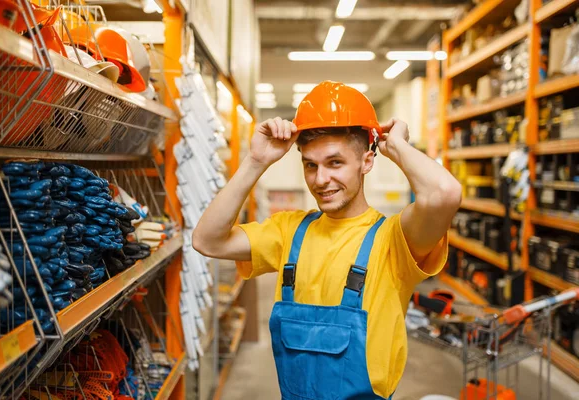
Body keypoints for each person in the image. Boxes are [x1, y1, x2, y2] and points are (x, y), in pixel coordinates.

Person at [193, 81, 462, 399]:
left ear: (366, 161)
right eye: (311, 165)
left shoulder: (395, 240)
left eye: (335, 163)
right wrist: (255, 162)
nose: (320, 180)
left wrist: (397, 145)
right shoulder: (289, 231)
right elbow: (207, 241)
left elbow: (444, 194)